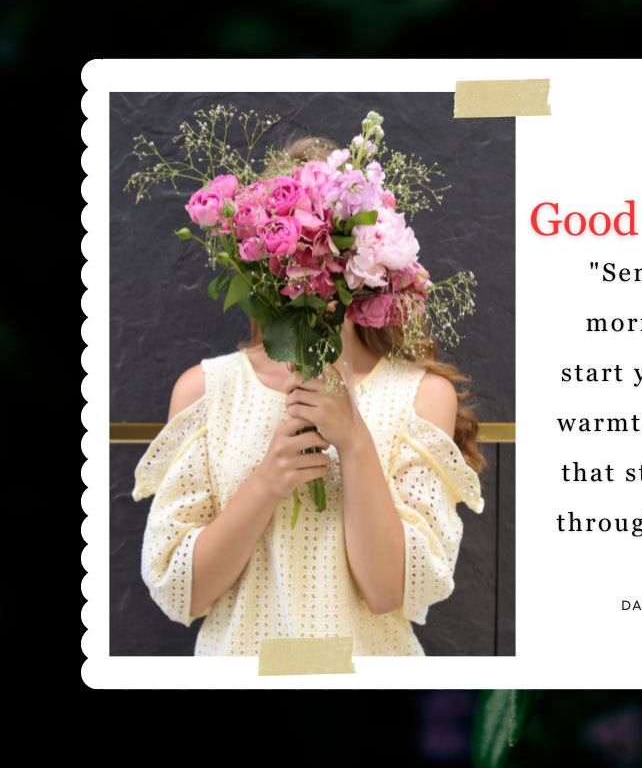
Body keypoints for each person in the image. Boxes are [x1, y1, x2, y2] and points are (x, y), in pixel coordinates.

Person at [130, 136, 487, 656]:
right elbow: (182, 593)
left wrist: (355, 441)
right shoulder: (208, 391)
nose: (312, 267)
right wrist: (268, 480)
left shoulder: (420, 397)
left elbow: (390, 592)